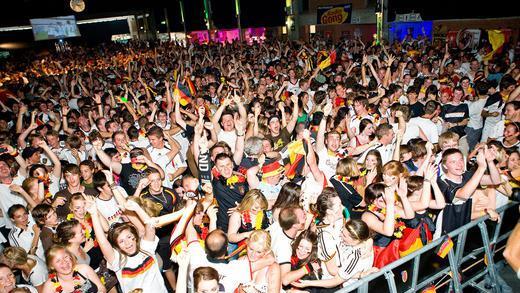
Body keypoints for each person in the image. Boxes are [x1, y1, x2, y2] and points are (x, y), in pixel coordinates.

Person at [292, 219, 377, 289]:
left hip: (339, 287)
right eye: (342, 231)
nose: (340, 235)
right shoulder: (357, 241)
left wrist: (308, 283)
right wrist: (369, 241)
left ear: (355, 240)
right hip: (326, 270)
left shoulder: (356, 257)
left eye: (344, 235)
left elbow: (335, 281)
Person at [41, 245, 105, 293]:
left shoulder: (84, 269)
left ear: (70, 257)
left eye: (65, 257)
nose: (64, 262)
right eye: (58, 261)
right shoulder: (50, 286)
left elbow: (101, 288)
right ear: (52, 266)